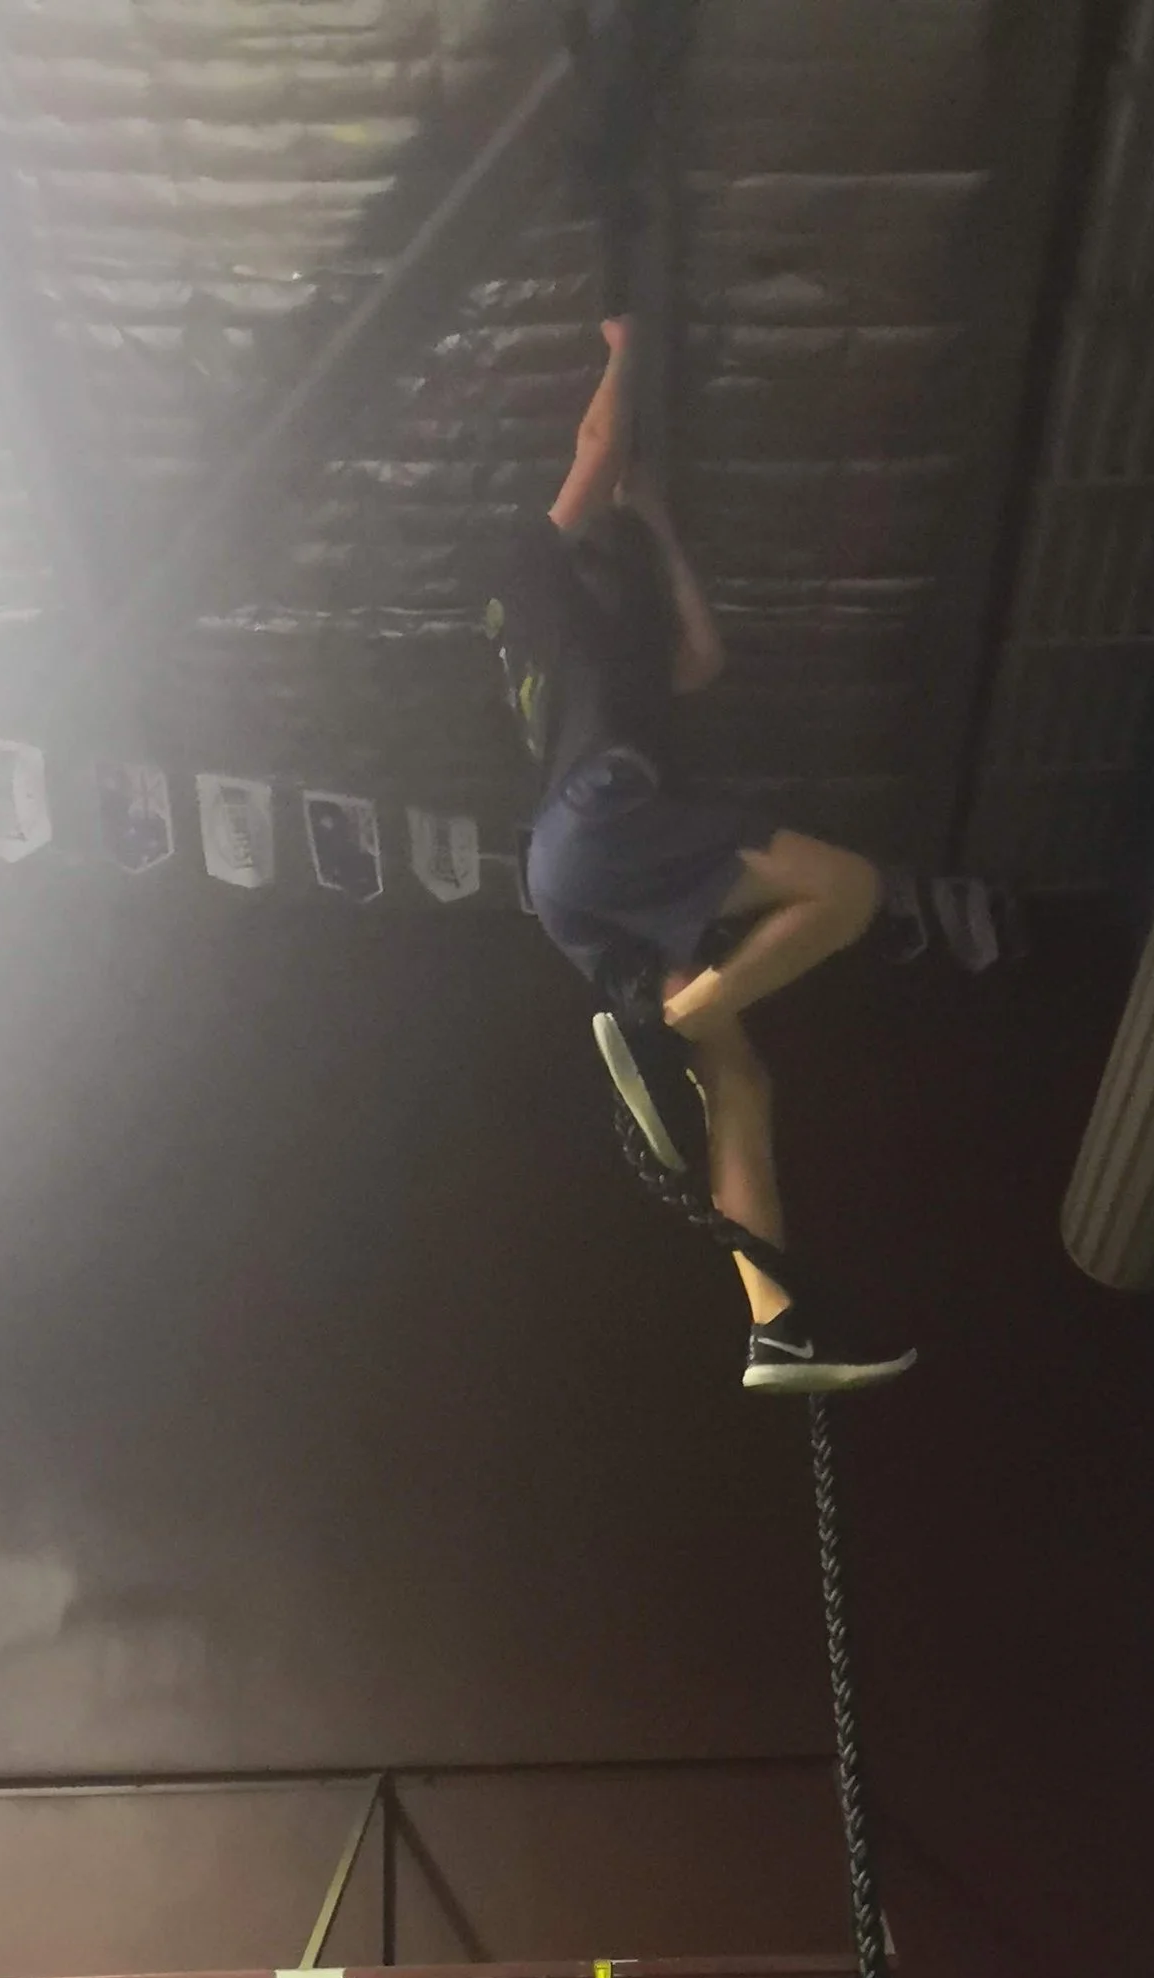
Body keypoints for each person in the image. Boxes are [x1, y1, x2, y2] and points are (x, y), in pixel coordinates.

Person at [488, 318, 914, 1394]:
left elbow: (703, 657)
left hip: (570, 877)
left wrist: (656, 522)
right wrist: (624, 348)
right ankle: (659, 1029)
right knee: (848, 887)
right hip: (601, 818)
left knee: (739, 1078)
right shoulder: (527, 584)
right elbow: (595, 448)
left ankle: (776, 1327)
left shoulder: (601, 656)